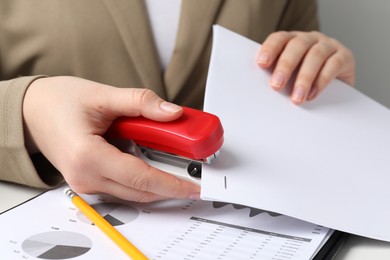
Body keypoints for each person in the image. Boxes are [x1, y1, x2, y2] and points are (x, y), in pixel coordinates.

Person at [0, 0, 355, 202]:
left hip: (232, 208)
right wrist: (27, 110)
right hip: (57, 209)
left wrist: (325, 89)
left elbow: (288, 70)